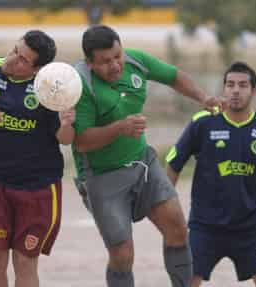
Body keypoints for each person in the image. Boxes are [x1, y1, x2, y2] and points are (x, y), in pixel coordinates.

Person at [72, 24, 223, 287]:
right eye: (106, 62)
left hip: (143, 163)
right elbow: (82, 142)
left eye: (117, 56)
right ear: (90, 63)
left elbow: (174, 76)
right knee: (122, 254)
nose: (116, 65)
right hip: (101, 176)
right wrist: (120, 128)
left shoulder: (135, 61)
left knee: (177, 227)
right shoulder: (81, 84)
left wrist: (203, 97)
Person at [0, 30, 75, 287]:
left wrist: (66, 124)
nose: (11, 60)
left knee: (24, 261)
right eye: (14, 50)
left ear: (37, 69)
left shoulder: (50, 86)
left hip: (38, 188)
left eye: (22, 60)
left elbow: (65, 139)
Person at [166, 62, 256, 287]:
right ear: (223, 89)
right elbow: (173, 165)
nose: (235, 90)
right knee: (187, 280)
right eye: (230, 84)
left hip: (250, 225)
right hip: (204, 225)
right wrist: (168, 210)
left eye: (243, 85)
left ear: (254, 92)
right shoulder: (202, 123)